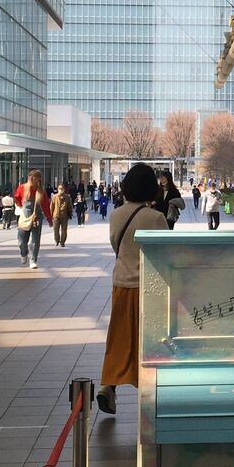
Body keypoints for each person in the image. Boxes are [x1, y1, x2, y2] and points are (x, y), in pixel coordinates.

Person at [99, 163, 167, 415]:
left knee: (119, 335)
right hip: (149, 286)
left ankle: (108, 384)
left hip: (121, 283)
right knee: (148, 339)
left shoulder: (116, 215)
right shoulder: (155, 218)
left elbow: (116, 246)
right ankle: (148, 386)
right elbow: (164, 252)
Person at [14, 170, 52, 269]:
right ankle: (24, 253)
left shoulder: (41, 191)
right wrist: (21, 207)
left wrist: (49, 219)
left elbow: (46, 205)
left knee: (35, 240)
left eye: (34, 177)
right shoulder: (22, 187)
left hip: (37, 217)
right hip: (25, 216)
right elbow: (17, 198)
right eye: (30, 176)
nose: (31, 178)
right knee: (21, 239)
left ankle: (33, 260)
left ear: (38, 179)